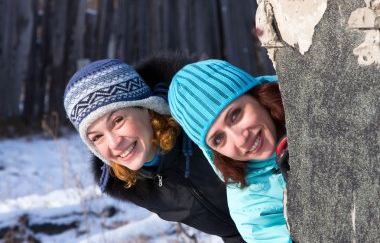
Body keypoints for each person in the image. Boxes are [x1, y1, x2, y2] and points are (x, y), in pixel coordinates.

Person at [63, 56, 244, 242]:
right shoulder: (134, 186)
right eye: (97, 137)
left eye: (118, 121)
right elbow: (233, 231)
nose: (114, 143)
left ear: (147, 107)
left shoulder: (203, 124)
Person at [168, 59, 292, 242]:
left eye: (235, 115)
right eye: (218, 139)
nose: (241, 140)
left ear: (255, 94)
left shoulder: (313, 96)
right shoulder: (250, 207)